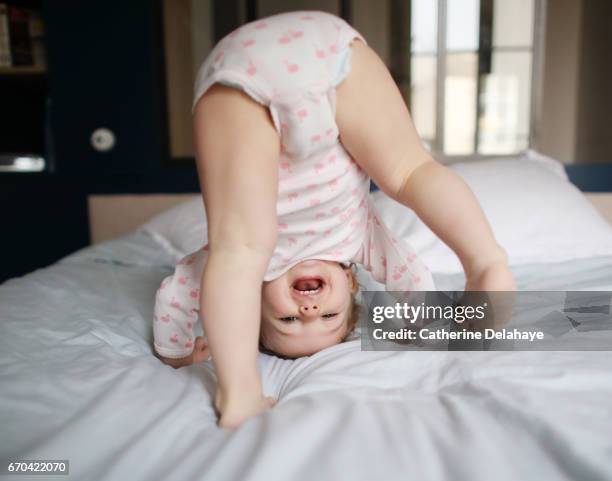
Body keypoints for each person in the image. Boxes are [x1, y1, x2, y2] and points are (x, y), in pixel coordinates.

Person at [152, 10, 516, 429]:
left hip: (241, 75)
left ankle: (239, 391)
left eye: (288, 320)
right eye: (328, 317)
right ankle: (487, 261)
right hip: (330, 52)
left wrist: (176, 353)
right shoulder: (357, 242)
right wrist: (425, 326)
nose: (309, 309)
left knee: (241, 248)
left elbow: (176, 296)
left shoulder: (237, 265)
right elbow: (411, 278)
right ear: (351, 284)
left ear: (249, 301)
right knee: (409, 172)